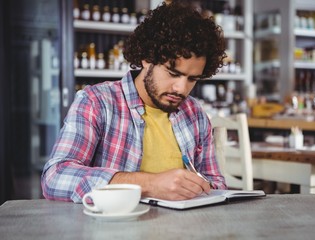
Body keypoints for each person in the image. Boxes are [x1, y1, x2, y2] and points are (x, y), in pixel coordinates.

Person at [41, 2, 227, 203]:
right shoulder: (97, 102)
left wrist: (201, 187)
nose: (181, 89)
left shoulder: (195, 115)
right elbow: (55, 178)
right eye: (173, 73)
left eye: (192, 79)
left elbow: (216, 183)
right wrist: (149, 184)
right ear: (147, 58)